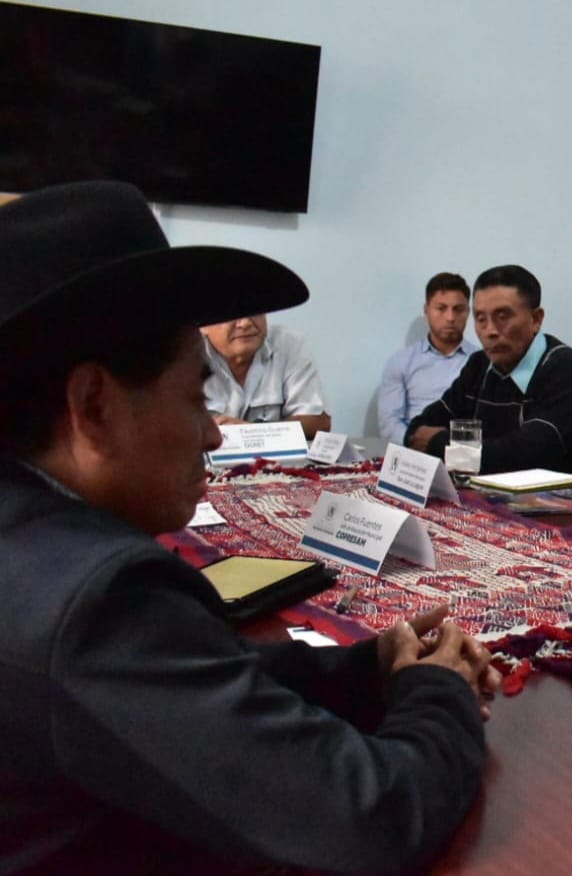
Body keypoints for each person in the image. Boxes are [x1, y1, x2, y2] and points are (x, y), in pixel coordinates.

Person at [0, 181, 499, 872]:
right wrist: (436, 686)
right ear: (94, 406)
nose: (211, 435)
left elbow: (185, 680)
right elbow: (365, 820)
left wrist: (368, 668)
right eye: (194, 398)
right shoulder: (98, 600)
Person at [405, 264, 572, 483]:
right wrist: (459, 451)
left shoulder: (567, 367)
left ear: (536, 319)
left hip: (569, 507)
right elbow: (418, 429)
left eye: (502, 317)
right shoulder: (479, 365)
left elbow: (527, 457)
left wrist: (439, 444)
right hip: (492, 501)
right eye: (481, 319)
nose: (490, 331)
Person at [377, 271, 478, 446]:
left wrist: (446, 445)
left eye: (458, 309)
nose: (450, 317)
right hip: (414, 453)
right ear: (427, 311)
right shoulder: (402, 362)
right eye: (441, 308)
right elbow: (389, 423)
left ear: (468, 312)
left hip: (466, 452)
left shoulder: (481, 362)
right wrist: (416, 442)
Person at [201, 312, 332, 439]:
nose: (246, 323)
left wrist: (251, 432)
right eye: (233, 314)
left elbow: (317, 422)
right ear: (204, 325)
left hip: (276, 459)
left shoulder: (287, 343)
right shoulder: (185, 354)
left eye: (255, 310)